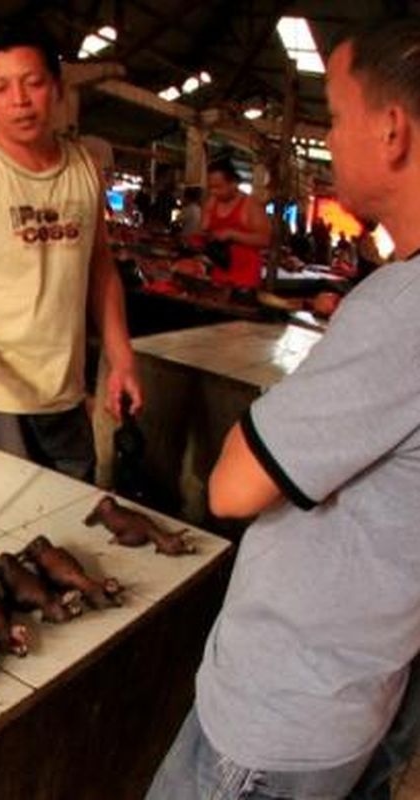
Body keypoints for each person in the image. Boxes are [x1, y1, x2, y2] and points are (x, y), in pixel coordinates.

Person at [146, 19, 420, 800]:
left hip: (284, 716)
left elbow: (234, 486)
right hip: (370, 684)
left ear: (392, 130)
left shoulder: (402, 310)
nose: (329, 142)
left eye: (334, 117)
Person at [0, 25, 142, 482]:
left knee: (65, 530)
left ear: (56, 89)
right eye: (1, 87)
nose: (19, 99)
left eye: (32, 83)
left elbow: (101, 271)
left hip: (65, 400)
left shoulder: (85, 168)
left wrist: (122, 360)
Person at [201, 157, 272, 289]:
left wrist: (232, 235)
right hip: (218, 271)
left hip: (244, 278)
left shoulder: (251, 205)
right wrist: (208, 210)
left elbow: (266, 239)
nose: (213, 191)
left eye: (218, 187)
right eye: (211, 187)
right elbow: (204, 228)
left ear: (233, 184)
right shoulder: (212, 201)